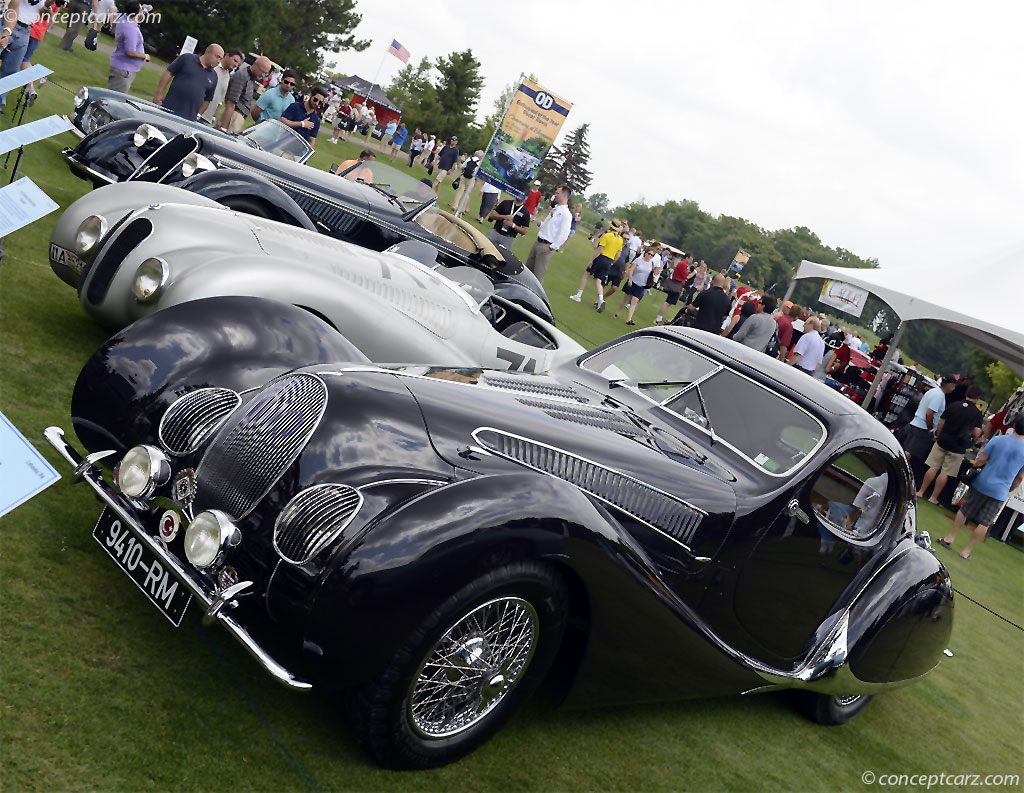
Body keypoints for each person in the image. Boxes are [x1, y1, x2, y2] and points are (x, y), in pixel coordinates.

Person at [938, 417, 1024, 559]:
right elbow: (1019, 478)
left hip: (982, 482)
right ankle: (966, 551)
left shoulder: (998, 440)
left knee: (965, 510)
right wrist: (1008, 489)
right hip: (1001, 490)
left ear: (1013, 426)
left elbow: (980, 460)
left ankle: (950, 537)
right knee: (985, 522)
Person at [917, 385, 983, 504]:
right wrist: (972, 440)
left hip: (944, 440)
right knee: (945, 472)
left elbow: (942, 422)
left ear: (966, 393)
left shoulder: (954, 405)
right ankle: (933, 497)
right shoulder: (977, 414)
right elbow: (977, 431)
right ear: (978, 398)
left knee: (933, 467)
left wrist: (938, 434)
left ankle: (921, 491)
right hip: (958, 446)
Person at [153, 43, 223, 121]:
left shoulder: (214, 76)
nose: (218, 61)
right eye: (217, 57)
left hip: (189, 118)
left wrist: (198, 114)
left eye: (221, 59)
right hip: (169, 108)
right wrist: (159, 93)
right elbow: (169, 73)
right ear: (208, 52)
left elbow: (208, 99)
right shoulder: (187, 58)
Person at [523, 185, 572, 285]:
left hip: (546, 246)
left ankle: (535, 298)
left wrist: (552, 247)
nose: (555, 195)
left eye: (557, 193)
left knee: (537, 276)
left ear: (564, 195)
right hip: (538, 241)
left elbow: (564, 234)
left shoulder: (566, 214)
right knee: (527, 271)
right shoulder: (555, 209)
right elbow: (547, 226)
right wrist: (539, 223)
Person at [569, 221, 623, 311]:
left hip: (601, 258)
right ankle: (601, 300)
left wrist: (591, 260)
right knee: (599, 280)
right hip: (609, 261)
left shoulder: (607, 235)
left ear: (611, 227)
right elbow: (618, 255)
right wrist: (612, 262)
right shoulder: (620, 240)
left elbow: (599, 250)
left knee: (586, 275)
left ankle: (578, 295)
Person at [903, 375, 957, 462]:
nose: (954, 389)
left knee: (905, 451)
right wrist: (931, 429)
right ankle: (892, 473)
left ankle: (890, 472)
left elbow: (920, 405)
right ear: (950, 385)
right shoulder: (939, 396)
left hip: (916, 423)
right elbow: (929, 413)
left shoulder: (933, 391)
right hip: (922, 428)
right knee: (908, 454)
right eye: (954, 386)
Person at [613, 244, 662, 325]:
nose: (650, 256)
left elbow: (655, 273)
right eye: (649, 254)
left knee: (634, 301)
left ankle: (629, 319)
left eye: (652, 255)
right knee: (625, 298)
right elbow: (632, 270)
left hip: (642, 285)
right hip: (633, 282)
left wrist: (654, 275)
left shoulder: (652, 264)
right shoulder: (638, 260)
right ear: (645, 253)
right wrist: (630, 280)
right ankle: (618, 312)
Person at [105, 0, 148, 93]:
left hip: (121, 68)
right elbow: (130, 52)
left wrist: (142, 10)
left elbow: (135, 17)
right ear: (137, 12)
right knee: (115, 101)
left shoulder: (124, 18)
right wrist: (145, 56)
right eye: (141, 9)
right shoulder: (131, 30)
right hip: (123, 72)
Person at [220, 55, 270, 133]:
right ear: (255, 64)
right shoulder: (242, 76)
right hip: (232, 117)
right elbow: (231, 103)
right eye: (262, 71)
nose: (263, 75)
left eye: (266, 73)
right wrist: (223, 129)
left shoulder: (251, 77)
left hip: (238, 117)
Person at [198, 48, 243, 124]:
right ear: (227, 55)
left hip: (207, 120)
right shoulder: (213, 67)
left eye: (237, 64)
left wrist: (213, 117)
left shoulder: (228, 77)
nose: (236, 65)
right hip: (196, 113)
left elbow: (219, 101)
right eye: (235, 60)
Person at [654, 254, 689, 325]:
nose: (691, 260)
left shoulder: (682, 263)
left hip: (676, 284)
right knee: (667, 302)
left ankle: (659, 318)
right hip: (676, 284)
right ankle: (658, 319)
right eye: (690, 258)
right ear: (687, 258)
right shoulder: (683, 264)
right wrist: (695, 272)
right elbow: (687, 276)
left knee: (669, 303)